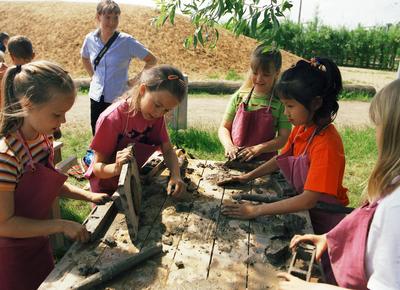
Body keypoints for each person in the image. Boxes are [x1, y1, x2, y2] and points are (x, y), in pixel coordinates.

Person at [221, 58, 349, 283]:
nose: (286, 113)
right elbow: (282, 157)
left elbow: (309, 199)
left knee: (320, 275)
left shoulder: (327, 143)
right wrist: (247, 177)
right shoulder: (302, 128)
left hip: (325, 222)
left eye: (290, 106)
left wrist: (256, 211)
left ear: (316, 103)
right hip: (306, 211)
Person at [278, 79, 400, 290]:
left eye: (378, 125)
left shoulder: (395, 207)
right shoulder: (392, 184)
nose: (375, 134)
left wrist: (307, 288)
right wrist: (330, 237)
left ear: (392, 133)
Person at [0, 61, 110, 290]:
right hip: (9, 256)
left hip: (38, 244)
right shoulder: (7, 157)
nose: (63, 122)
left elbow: (46, 185)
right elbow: (5, 224)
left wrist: (88, 196)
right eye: (57, 114)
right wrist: (60, 225)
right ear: (28, 104)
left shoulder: (43, 140)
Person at [86, 65, 187, 197]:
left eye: (166, 110)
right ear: (143, 90)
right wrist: (116, 168)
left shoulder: (156, 117)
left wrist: (176, 175)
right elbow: (97, 168)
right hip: (105, 188)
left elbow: (167, 149)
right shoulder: (111, 119)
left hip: (132, 182)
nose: (158, 113)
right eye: (157, 105)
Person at [81, 0, 157, 135]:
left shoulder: (127, 41)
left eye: (116, 17)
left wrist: (135, 81)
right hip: (96, 96)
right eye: (108, 17)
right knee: (97, 132)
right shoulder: (90, 39)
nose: (112, 22)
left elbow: (151, 60)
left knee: (117, 135)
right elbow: (84, 57)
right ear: (98, 17)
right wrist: (93, 76)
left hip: (118, 97)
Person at [218, 45, 291, 162]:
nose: (259, 79)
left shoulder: (281, 103)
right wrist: (228, 145)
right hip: (236, 162)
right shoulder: (239, 97)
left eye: (266, 75)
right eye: (255, 73)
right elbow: (223, 128)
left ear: (277, 73)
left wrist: (259, 149)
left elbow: (283, 138)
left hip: (264, 165)